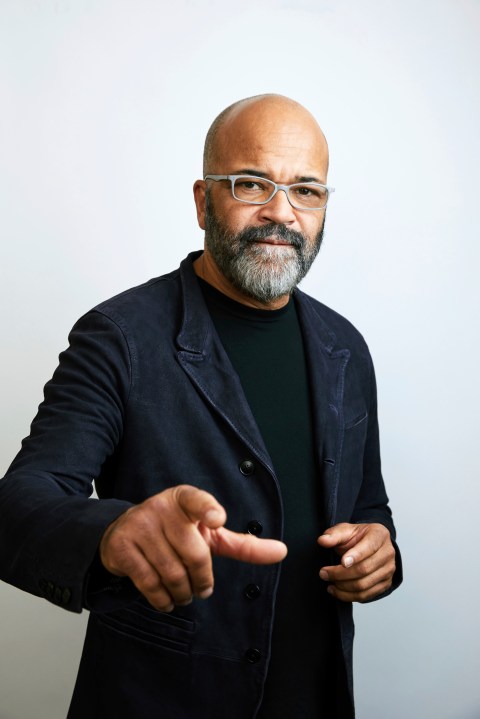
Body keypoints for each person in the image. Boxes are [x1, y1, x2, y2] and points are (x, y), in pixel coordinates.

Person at [0, 94, 402, 718]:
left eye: (307, 191)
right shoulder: (120, 337)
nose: (281, 214)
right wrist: (110, 532)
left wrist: (380, 550)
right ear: (202, 200)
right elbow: (18, 505)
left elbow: (369, 504)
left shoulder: (345, 346)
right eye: (251, 183)